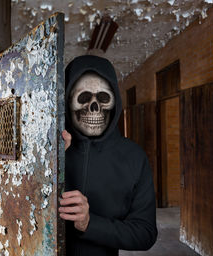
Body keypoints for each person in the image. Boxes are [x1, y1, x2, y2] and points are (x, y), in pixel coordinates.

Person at [59, 55, 157, 256]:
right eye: (83, 98)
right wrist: (54, 160)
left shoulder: (133, 157)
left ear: (115, 103)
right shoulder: (49, 151)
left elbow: (145, 233)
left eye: (103, 98)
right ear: (68, 102)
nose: (94, 107)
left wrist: (90, 224)